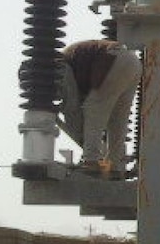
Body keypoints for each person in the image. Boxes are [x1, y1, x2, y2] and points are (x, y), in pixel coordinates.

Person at [58, 40, 142, 177]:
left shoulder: (61, 64)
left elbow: (72, 102)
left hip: (114, 59)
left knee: (93, 109)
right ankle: (115, 165)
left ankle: (91, 161)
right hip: (133, 62)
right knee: (118, 118)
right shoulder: (75, 55)